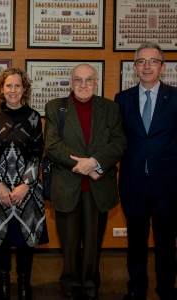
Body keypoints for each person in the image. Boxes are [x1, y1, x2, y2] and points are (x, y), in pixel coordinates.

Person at [44, 63, 126, 300]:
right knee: (69, 245)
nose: (83, 85)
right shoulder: (55, 108)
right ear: (71, 82)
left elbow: (119, 143)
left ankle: (90, 287)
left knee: (92, 245)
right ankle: (70, 287)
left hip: (98, 188)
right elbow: (52, 145)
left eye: (89, 80)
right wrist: (86, 167)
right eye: (78, 80)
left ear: (96, 82)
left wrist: (95, 162)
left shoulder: (110, 108)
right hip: (67, 185)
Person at [114, 42, 177, 300]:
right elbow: (117, 139)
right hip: (133, 182)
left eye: (153, 61)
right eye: (142, 61)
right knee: (136, 242)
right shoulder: (122, 99)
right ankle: (136, 288)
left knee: (166, 242)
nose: (147, 66)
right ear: (134, 67)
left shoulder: (175, 97)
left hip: (168, 183)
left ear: (162, 66)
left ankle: (166, 289)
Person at [0, 67, 49, 300]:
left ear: (24, 89)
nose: (13, 90)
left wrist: (25, 185)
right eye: (8, 85)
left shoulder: (33, 117)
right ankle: (2, 285)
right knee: (0, 240)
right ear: (1, 89)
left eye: (17, 86)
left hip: (27, 189)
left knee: (24, 240)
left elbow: (36, 153)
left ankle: (24, 285)